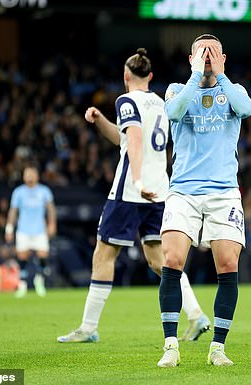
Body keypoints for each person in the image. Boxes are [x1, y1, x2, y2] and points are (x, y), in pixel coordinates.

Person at [57, 48, 209, 344]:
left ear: (126, 76)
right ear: (150, 76)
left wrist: (137, 180)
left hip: (131, 190)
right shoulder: (161, 103)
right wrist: (100, 120)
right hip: (160, 190)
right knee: (159, 259)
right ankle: (196, 315)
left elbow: (135, 140)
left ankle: (88, 328)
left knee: (103, 254)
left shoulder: (126, 100)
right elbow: (126, 139)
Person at [156, 34, 251, 368]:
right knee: (171, 259)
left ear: (224, 58)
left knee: (227, 264)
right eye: (202, 53)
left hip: (224, 192)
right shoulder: (176, 89)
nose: (208, 57)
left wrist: (221, 75)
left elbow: (247, 108)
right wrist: (196, 76)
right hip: (183, 190)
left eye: (213, 53)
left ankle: (218, 347)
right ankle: (171, 345)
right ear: (190, 59)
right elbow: (173, 112)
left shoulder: (233, 91)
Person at [5, 166, 56, 297]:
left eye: (32, 174)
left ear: (37, 176)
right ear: (23, 176)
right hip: (23, 230)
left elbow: (51, 209)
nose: (29, 176)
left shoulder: (44, 191)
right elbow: (13, 211)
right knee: (22, 257)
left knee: (43, 255)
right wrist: (9, 229)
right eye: (27, 174)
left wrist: (52, 224)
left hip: (39, 230)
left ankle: (39, 281)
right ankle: (22, 285)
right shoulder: (18, 192)